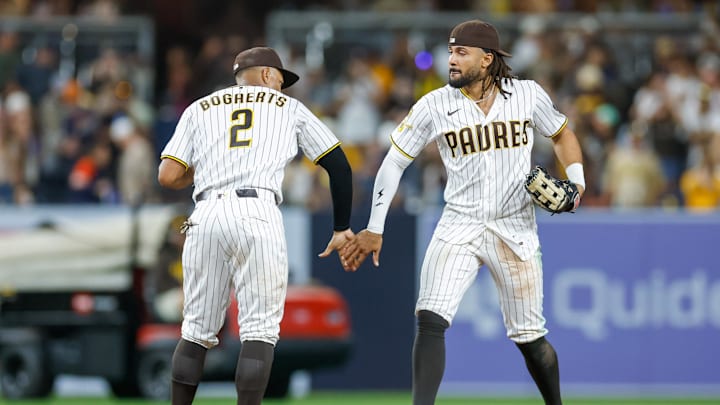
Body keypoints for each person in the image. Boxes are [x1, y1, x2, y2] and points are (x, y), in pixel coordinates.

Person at [341, 20, 585, 405]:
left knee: (530, 339)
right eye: (451, 51)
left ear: (487, 59)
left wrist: (578, 182)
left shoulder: (527, 95)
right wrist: (375, 226)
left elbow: (561, 134)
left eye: (461, 52)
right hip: (460, 222)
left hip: (514, 225)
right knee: (430, 317)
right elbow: (393, 163)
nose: (451, 60)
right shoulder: (434, 104)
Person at [157, 46, 354, 405]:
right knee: (259, 332)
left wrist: (211, 174)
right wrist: (341, 227)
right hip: (257, 211)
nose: (283, 88)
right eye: (281, 80)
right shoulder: (289, 108)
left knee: (196, 331)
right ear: (266, 75)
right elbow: (339, 165)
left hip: (204, 214)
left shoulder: (198, 108)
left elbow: (168, 175)